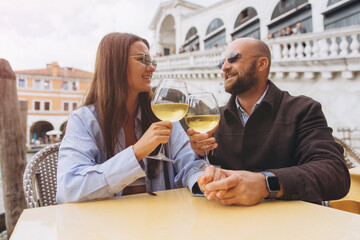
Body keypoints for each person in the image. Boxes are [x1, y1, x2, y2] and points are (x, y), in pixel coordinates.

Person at [187, 38, 350, 206]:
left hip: (294, 225)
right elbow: (203, 171)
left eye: (234, 58)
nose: (224, 67)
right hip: (230, 224)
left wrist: (266, 183)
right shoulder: (216, 118)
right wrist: (201, 154)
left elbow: (335, 173)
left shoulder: (303, 110)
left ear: (261, 64)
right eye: (222, 62)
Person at [56, 32, 203, 203]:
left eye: (153, 62)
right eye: (143, 60)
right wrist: (137, 152)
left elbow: (188, 164)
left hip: (161, 222)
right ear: (115, 64)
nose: (152, 68)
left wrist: (205, 180)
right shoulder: (83, 120)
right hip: (103, 225)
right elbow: (69, 190)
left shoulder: (161, 115)